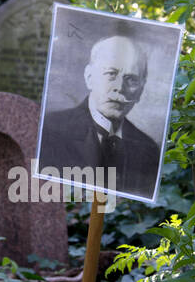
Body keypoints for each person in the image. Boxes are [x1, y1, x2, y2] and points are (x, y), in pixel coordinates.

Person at [38, 34, 161, 200]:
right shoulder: (50, 130)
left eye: (131, 79)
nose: (119, 88)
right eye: (111, 74)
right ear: (89, 77)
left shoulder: (149, 150)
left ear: (141, 90)